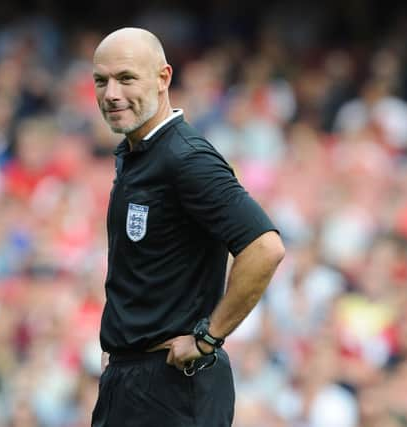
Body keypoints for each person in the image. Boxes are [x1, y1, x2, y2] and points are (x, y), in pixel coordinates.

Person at [90, 27, 285, 426]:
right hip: (128, 382)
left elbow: (265, 247)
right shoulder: (137, 154)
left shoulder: (186, 159)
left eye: (126, 78)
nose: (111, 93)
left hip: (173, 388)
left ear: (163, 79)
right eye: (101, 80)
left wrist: (208, 336)